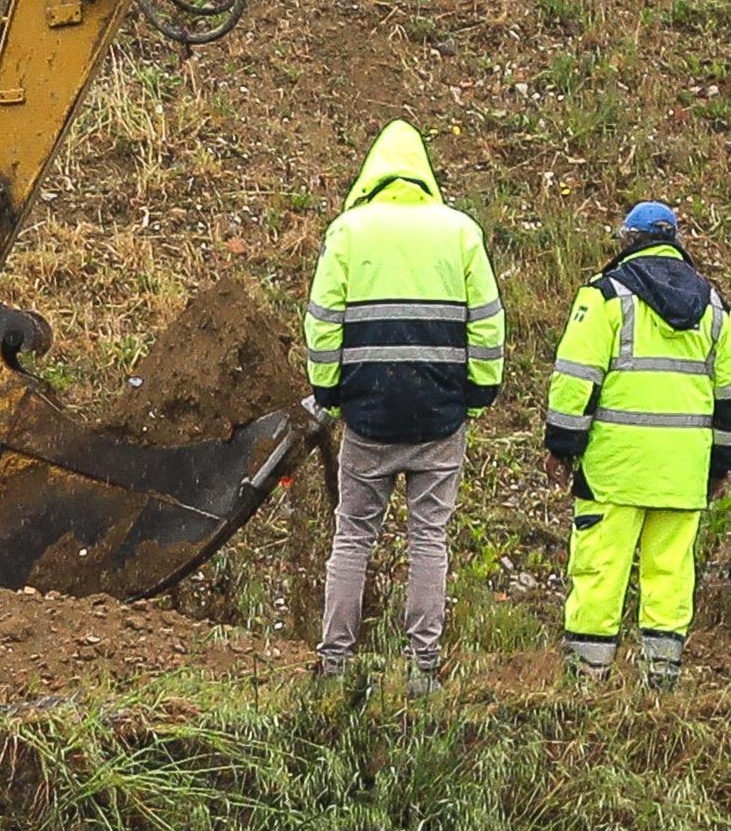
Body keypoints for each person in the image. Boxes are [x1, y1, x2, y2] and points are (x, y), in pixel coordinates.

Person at [303, 120, 504, 692]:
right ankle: (422, 669)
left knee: (352, 538)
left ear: (372, 174)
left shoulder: (348, 231)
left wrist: (330, 393)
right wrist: (479, 393)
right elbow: (487, 324)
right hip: (441, 419)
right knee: (428, 538)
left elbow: (323, 324)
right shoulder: (460, 233)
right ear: (424, 175)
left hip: (368, 420)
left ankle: (334, 665)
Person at [545, 202, 731, 690]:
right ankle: (661, 682)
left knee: (599, 570)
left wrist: (562, 446)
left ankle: (586, 682)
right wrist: (719, 465)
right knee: (670, 573)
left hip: (615, 467)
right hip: (684, 470)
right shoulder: (715, 306)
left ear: (628, 240)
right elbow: (728, 398)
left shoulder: (606, 297)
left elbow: (574, 379)